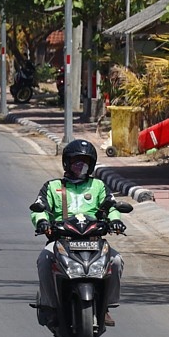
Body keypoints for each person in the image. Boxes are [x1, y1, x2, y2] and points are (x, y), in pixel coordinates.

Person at [30, 139, 126, 327]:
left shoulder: (98, 186)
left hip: (94, 240)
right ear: (67, 162)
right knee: (44, 260)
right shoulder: (53, 186)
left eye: (85, 162)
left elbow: (112, 207)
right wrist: (42, 222)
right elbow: (38, 207)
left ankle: (106, 305)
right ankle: (50, 307)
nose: (80, 165)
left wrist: (115, 221)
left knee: (116, 261)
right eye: (76, 161)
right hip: (61, 240)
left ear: (91, 165)